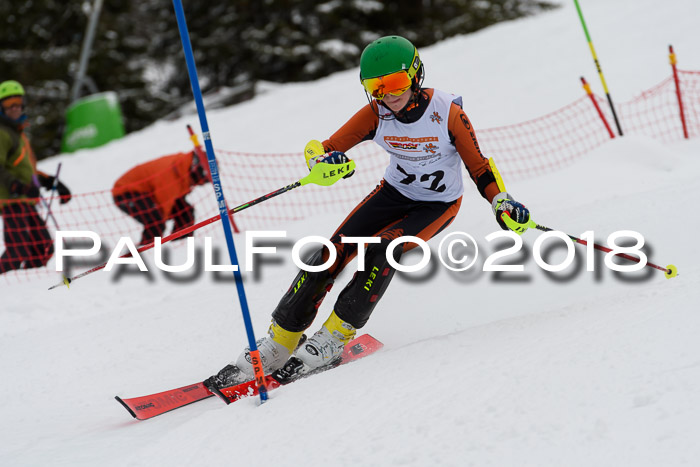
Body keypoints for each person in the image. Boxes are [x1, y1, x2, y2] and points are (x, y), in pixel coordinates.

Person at [204, 35, 532, 389]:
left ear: (416, 75)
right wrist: (323, 162)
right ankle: (280, 341)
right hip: (393, 193)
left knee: (381, 251)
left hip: (437, 205)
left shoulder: (447, 113)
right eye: (376, 87)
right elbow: (324, 147)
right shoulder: (377, 113)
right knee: (327, 254)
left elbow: (480, 168)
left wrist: (501, 201)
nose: (388, 95)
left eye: (395, 83)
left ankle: (334, 336)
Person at [0, 80, 72, 274]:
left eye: (18, 102)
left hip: (26, 200)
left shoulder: (19, 134)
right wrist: (16, 186)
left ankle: (28, 289)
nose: (15, 107)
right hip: (11, 200)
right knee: (18, 251)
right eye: (9, 104)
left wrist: (51, 181)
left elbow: (27, 170)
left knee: (43, 248)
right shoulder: (3, 133)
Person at [112, 150, 209, 246]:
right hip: (125, 192)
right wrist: (162, 219)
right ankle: (145, 253)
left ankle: (180, 247)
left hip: (151, 192)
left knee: (185, 212)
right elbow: (163, 204)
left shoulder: (183, 168)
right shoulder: (172, 174)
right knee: (156, 221)